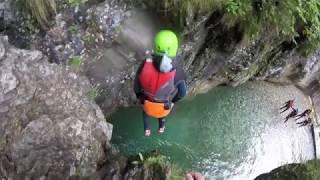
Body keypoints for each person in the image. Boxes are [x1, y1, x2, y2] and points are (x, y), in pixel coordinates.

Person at [134, 30, 187, 136]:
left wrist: (141, 98)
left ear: (155, 46)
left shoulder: (145, 64)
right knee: (162, 113)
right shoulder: (178, 72)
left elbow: (136, 86)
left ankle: (147, 130)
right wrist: (172, 102)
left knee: (145, 112)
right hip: (164, 107)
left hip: (148, 104)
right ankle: (161, 127)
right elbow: (182, 93)